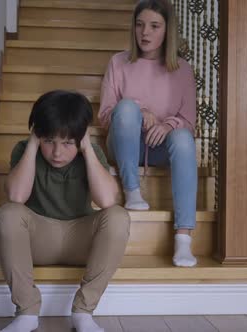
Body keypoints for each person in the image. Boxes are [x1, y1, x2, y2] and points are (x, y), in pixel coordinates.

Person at [0, 90, 130, 332]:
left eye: (68, 142)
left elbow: (108, 200)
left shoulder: (91, 152)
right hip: (38, 239)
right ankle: (26, 312)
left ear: (80, 138)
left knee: (118, 217)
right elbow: (16, 196)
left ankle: (83, 311)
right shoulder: (24, 150)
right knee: (9, 213)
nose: (57, 153)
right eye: (49, 141)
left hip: (80, 240)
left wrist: (87, 148)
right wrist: (33, 144)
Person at [98, 0, 197, 267]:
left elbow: (189, 121)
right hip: (123, 143)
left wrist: (167, 125)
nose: (145, 32)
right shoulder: (118, 62)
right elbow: (105, 115)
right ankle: (132, 191)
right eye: (140, 25)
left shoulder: (183, 69)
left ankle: (183, 238)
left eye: (154, 26)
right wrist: (139, 112)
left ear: (167, 30)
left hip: (160, 148)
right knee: (128, 107)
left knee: (184, 138)